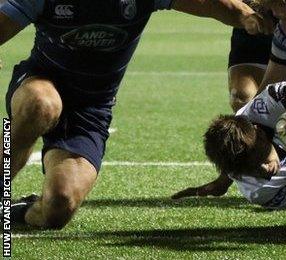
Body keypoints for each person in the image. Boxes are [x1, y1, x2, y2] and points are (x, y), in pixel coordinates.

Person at [2, 0, 272, 229]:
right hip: (39, 82)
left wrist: (246, 16)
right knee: (42, 105)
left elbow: (210, 3)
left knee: (59, 207)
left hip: (91, 110)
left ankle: (22, 211)